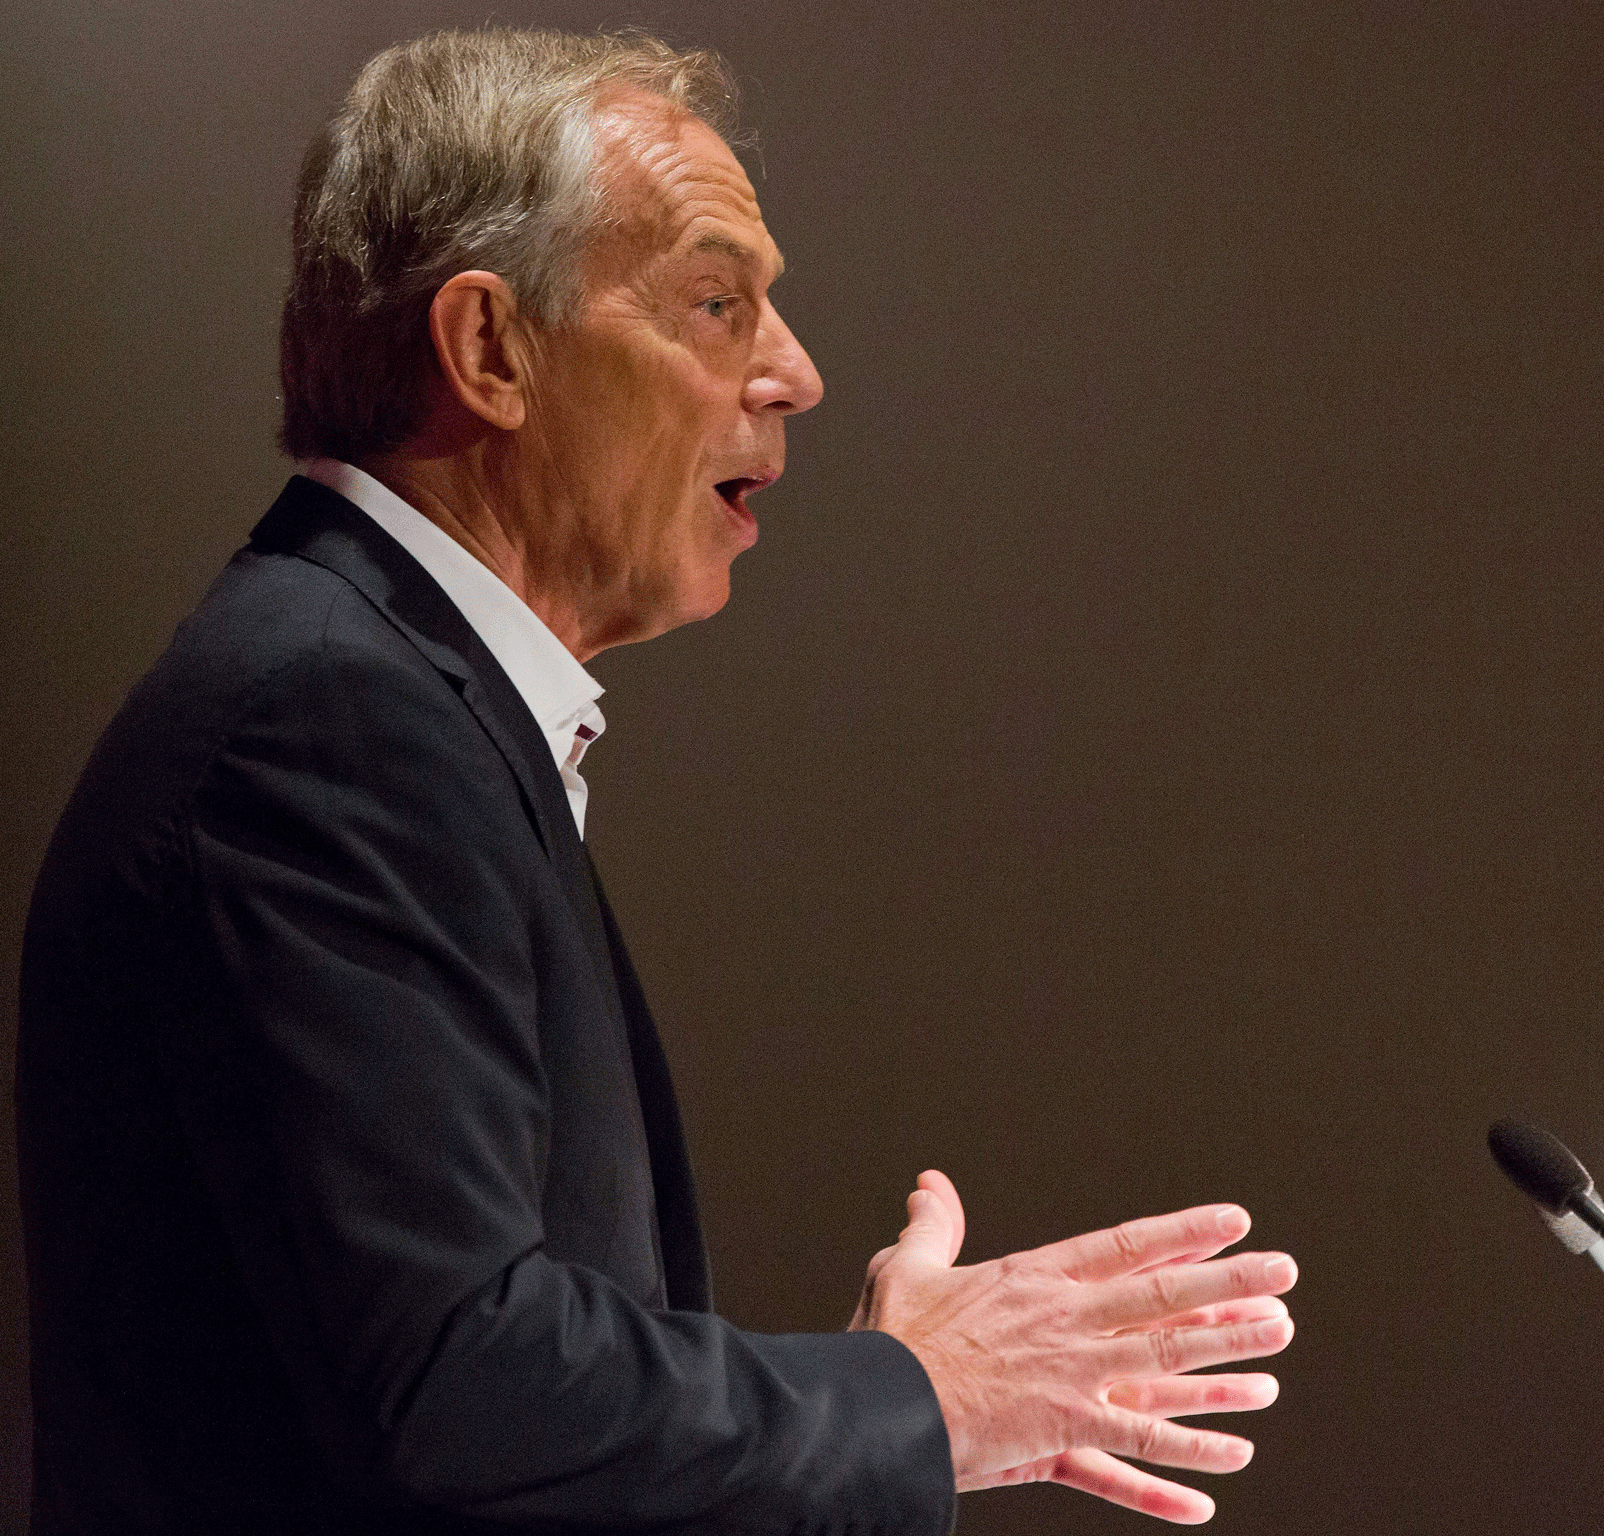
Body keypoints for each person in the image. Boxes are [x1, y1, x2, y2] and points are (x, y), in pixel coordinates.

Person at [15, 28, 1296, 1535]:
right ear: (490, 348)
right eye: (715, 302)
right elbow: (456, 1389)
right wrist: (915, 1402)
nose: (796, 374)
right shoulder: (329, 723)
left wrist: (881, 1392)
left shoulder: (388, 693)